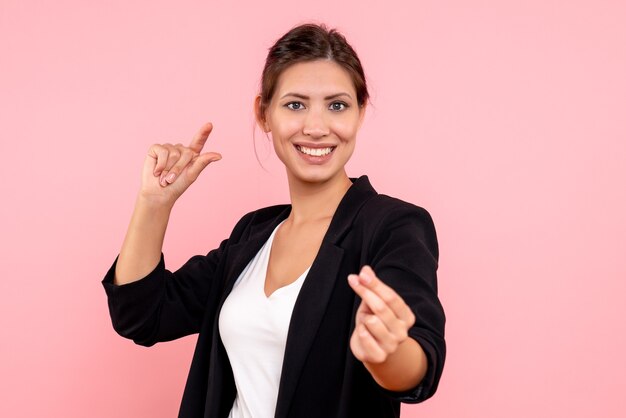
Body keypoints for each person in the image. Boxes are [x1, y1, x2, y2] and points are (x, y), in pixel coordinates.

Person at [102, 23, 446, 418]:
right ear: (263, 114)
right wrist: (153, 204)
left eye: (337, 105)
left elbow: (420, 364)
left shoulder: (393, 226)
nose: (316, 127)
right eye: (295, 104)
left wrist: (389, 354)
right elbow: (143, 316)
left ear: (360, 112)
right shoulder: (252, 235)